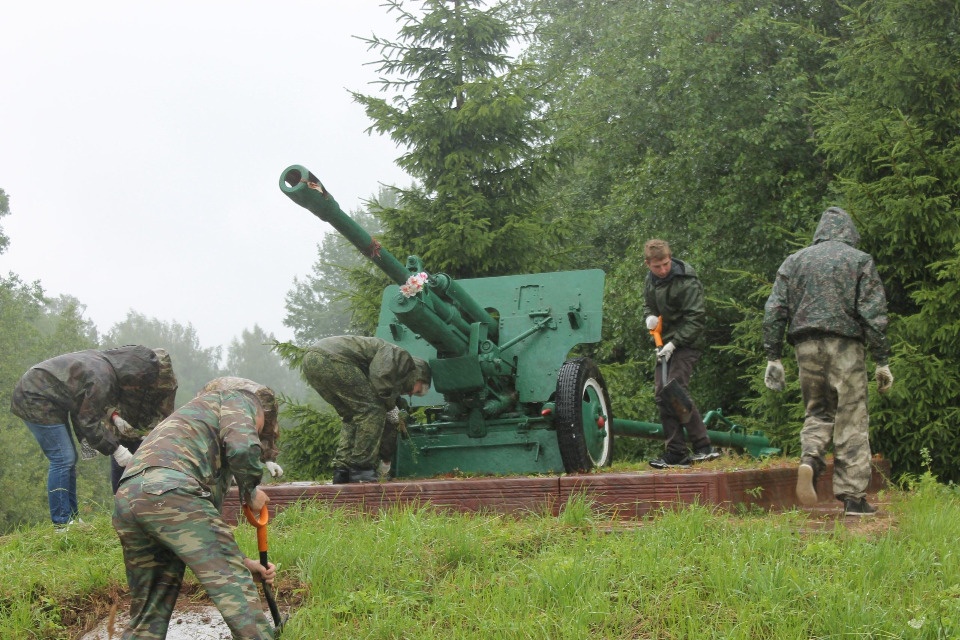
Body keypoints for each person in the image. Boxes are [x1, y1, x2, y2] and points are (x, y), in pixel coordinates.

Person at [113, 386, 277, 639]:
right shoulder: (237, 399)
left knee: (150, 606)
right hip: (171, 489)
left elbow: (203, 535)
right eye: (257, 428)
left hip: (129, 497)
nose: (255, 433)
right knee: (232, 583)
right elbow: (243, 448)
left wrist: (244, 564)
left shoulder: (193, 430)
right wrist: (251, 490)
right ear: (256, 414)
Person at [763, 206, 893, 516]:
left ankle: (810, 460)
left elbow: (774, 311)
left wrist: (773, 356)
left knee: (817, 411)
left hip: (805, 346)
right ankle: (853, 498)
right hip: (845, 346)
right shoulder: (859, 260)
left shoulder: (794, 262)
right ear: (849, 232)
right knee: (851, 416)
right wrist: (882, 360)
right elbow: (873, 315)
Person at [10, 345, 176, 529]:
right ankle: (62, 523)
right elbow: (88, 420)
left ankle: (71, 519)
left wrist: (87, 440)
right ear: (133, 370)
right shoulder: (102, 377)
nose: (136, 385)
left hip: (44, 394)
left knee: (67, 458)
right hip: (34, 396)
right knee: (62, 458)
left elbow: (79, 406)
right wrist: (117, 450)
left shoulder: (104, 364)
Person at [300, 335, 432, 483]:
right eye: (418, 389)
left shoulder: (395, 367)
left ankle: (342, 470)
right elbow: (380, 382)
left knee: (351, 415)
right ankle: (361, 469)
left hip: (311, 360)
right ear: (418, 375)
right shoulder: (401, 358)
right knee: (372, 409)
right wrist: (390, 407)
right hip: (331, 357)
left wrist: (392, 406)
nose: (411, 393)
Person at [642, 239, 719, 469]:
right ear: (648, 264)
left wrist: (675, 343)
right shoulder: (650, 281)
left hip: (688, 342)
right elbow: (649, 306)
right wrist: (649, 318)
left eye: (666, 264)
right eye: (657, 267)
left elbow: (696, 319)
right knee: (661, 393)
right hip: (663, 343)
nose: (663, 270)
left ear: (670, 258)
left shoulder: (686, 280)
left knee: (675, 387)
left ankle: (703, 446)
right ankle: (676, 452)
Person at [109, 348, 178, 493]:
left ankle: (146, 509)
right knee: (120, 476)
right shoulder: (125, 375)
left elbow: (165, 412)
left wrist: (150, 433)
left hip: (147, 433)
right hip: (121, 429)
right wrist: (115, 417)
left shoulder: (168, 384)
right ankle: (120, 508)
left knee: (147, 476)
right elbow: (104, 400)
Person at [198, 377, 284, 478]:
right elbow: (234, 440)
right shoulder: (228, 403)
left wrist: (268, 459)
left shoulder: (268, 404)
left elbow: (268, 431)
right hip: (210, 411)